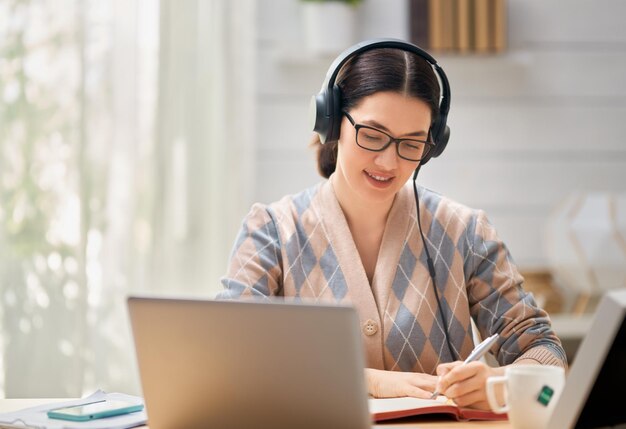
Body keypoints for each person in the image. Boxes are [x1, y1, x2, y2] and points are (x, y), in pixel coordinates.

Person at [218, 39, 566, 411]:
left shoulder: (466, 232)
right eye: (372, 135)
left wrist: (503, 381)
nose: (388, 162)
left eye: (412, 143)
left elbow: (545, 353)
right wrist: (371, 382)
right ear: (331, 122)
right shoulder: (269, 231)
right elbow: (227, 358)